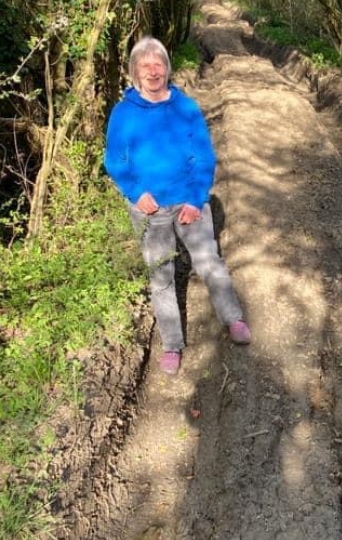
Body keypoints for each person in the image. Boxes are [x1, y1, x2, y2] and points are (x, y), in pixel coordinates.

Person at [104, 36, 251, 376]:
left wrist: (198, 198)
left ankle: (233, 319)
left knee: (209, 263)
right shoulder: (123, 113)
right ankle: (172, 345)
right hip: (148, 210)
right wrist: (136, 193)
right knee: (161, 276)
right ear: (135, 72)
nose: (153, 71)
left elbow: (204, 157)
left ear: (167, 69)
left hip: (188, 204)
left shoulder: (185, 108)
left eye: (158, 64)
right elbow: (115, 161)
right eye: (146, 65)